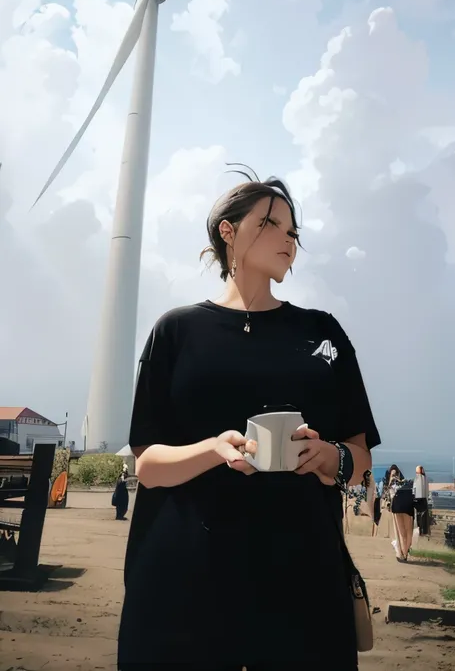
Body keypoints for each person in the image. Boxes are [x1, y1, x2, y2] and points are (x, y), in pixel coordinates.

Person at [118, 170, 381, 670]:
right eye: (271, 223)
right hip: (183, 580)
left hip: (301, 580)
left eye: (293, 231)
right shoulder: (175, 332)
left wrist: (332, 457)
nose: (289, 239)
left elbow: (361, 454)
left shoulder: (323, 334)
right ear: (228, 231)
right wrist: (213, 449)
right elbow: (148, 463)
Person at [389, 465, 414, 561]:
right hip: (407, 506)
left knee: (402, 532)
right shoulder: (408, 483)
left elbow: (390, 493)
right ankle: (405, 553)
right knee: (407, 531)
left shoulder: (393, 482)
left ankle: (403, 553)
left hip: (397, 506)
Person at [413, 465, 430, 537]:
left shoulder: (417, 478)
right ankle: (423, 531)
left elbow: (414, 489)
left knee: (419, 516)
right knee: (423, 517)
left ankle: (420, 530)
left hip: (418, 499)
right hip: (423, 500)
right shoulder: (425, 478)